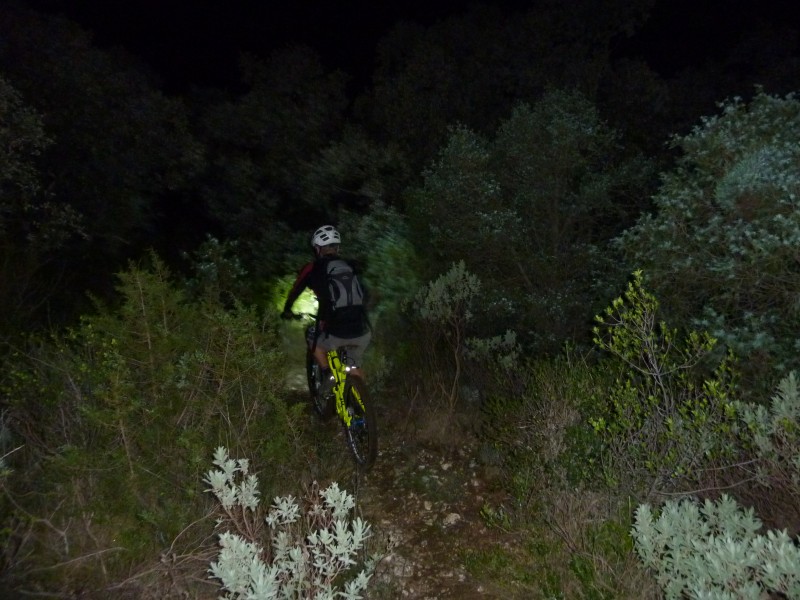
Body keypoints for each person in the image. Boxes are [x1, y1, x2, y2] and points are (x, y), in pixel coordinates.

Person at [281, 225, 371, 381]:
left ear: (317, 249)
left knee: (311, 336)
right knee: (354, 367)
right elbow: (366, 294)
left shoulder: (312, 268)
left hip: (334, 332)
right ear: (337, 248)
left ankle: (328, 374)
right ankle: (362, 400)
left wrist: (287, 310)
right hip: (362, 331)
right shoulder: (350, 266)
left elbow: (295, 290)